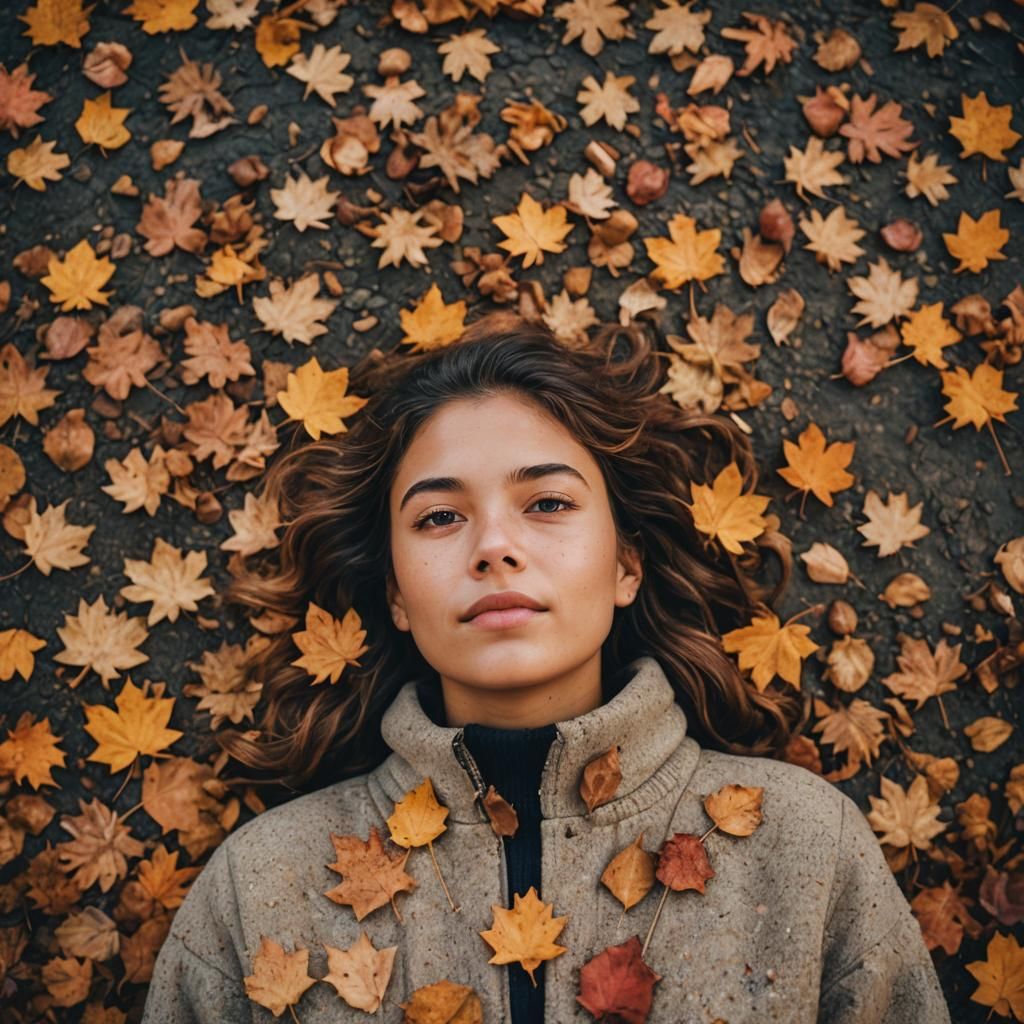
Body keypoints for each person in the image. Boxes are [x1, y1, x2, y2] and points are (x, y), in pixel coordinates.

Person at [142, 312, 951, 1023]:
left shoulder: (804, 849)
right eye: (440, 516)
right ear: (394, 593)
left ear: (626, 563)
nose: (494, 545)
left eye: (549, 503)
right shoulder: (261, 886)